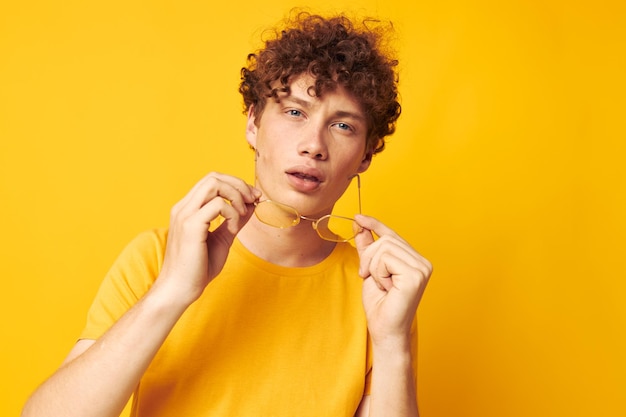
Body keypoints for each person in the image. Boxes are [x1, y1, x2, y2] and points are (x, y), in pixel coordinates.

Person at [22, 11, 432, 417]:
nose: (313, 145)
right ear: (253, 124)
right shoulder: (156, 257)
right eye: (294, 113)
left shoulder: (375, 291)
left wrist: (393, 345)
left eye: (343, 126)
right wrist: (172, 292)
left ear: (365, 156)